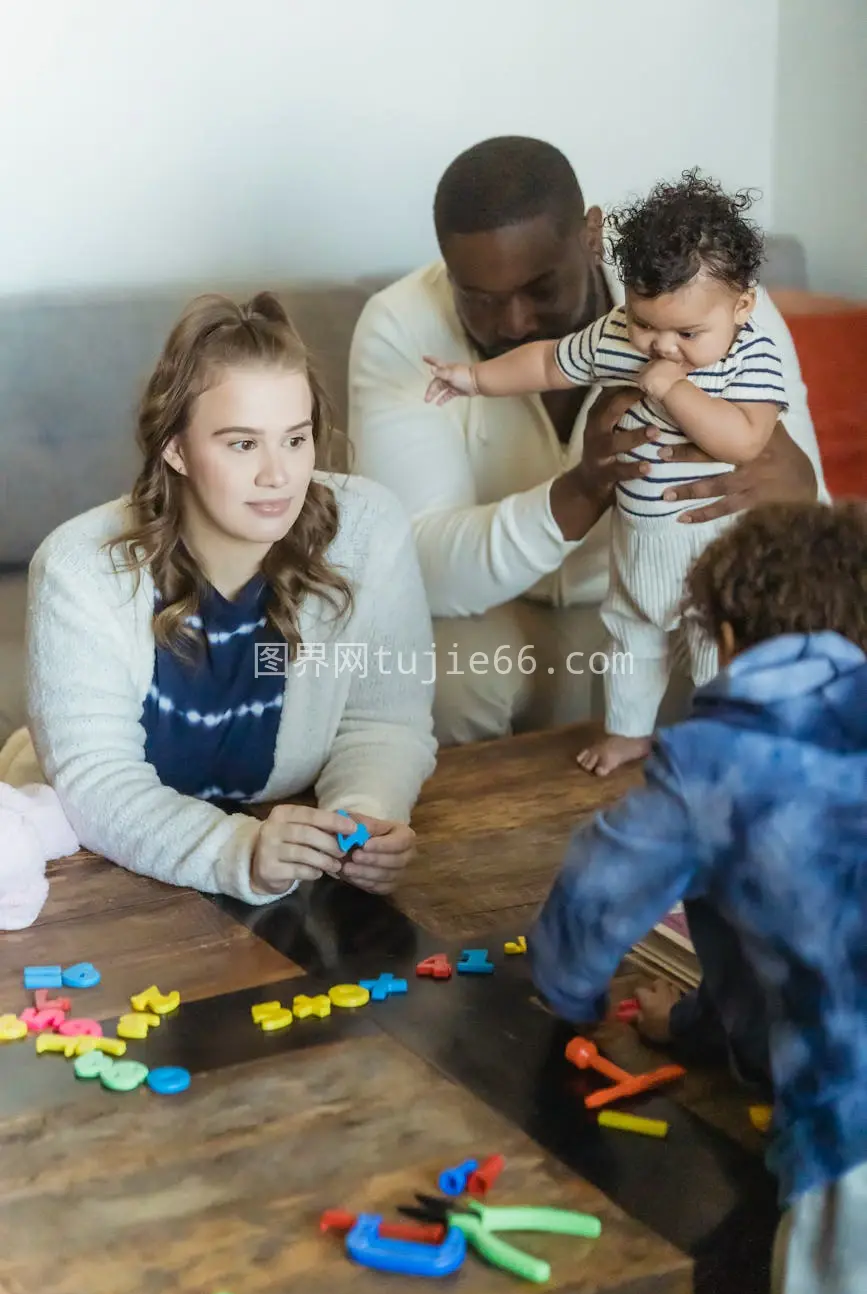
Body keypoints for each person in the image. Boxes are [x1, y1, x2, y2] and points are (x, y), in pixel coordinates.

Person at [347, 137, 827, 748]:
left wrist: (798, 490)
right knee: (440, 677)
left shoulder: (722, 314)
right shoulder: (402, 326)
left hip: (691, 587)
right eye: (481, 300)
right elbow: (414, 566)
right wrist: (581, 489)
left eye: (541, 288)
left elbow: (812, 510)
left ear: (590, 235)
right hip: (498, 611)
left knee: (744, 655)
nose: (515, 323)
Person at [527, 500, 867, 1294]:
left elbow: (594, 892)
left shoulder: (716, 763)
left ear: (724, 640)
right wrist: (691, 1025)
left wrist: (571, 998)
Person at [0, 292, 437, 905]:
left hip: (278, 848)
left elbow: (384, 720)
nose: (278, 476)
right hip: (74, 858)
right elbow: (97, 785)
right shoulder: (77, 568)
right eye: (241, 444)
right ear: (175, 448)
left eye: (295, 438)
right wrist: (241, 851)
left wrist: (360, 825)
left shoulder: (369, 530)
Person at [425, 170, 788, 775]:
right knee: (629, 643)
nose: (661, 347)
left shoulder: (751, 358)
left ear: (742, 305)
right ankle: (627, 735)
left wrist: (675, 391)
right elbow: (548, 362)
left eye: (687, 333)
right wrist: (474, 380)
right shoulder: (622, 335)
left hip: (713, 556)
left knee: (714, 658)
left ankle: (721, 753)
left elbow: (746, 440)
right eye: (647, 323)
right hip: (640, 547)